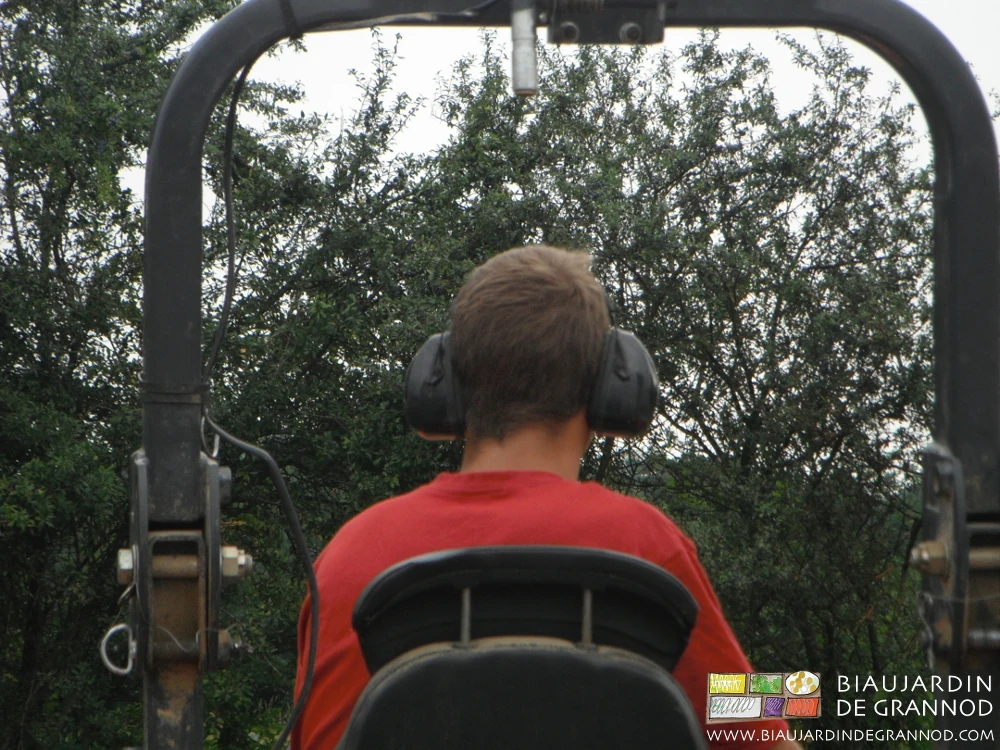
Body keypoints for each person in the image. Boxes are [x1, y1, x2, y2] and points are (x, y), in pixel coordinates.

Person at [292, 245, 801, 750]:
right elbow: (759, 730)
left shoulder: (350, 558)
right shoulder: (647, 544)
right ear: (611, 385)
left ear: (443, 380)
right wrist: (803, 693)